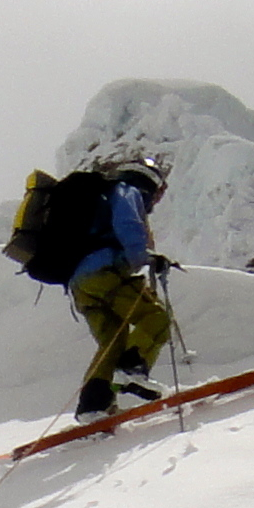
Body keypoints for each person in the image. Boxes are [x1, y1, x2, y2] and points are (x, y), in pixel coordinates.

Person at [62, 157, 178, 417]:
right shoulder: (127, 191)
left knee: (112, 341)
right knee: (155, 317)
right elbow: (128, 223)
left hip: (80, 286)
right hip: (105, 274)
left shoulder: (99, 199)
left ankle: (93, 405)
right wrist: (145, 256)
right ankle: (131, 373)